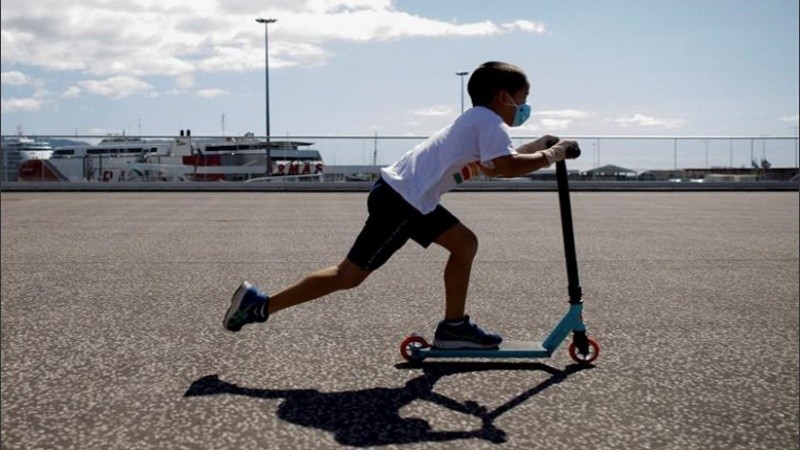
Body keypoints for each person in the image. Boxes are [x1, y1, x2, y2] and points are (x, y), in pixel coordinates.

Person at [223, 61, 579, 349]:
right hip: (402, 202)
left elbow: (495, 162)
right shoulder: (490, 123)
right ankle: (259, 306)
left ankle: (454, 328)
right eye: (524, 97)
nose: (525, 106)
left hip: (407, 197)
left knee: (464, 243)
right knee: (348, 275)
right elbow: (504, 167)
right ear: (505, 97)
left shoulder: (477, 121)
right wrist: (552, 154)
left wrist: (539, 146)